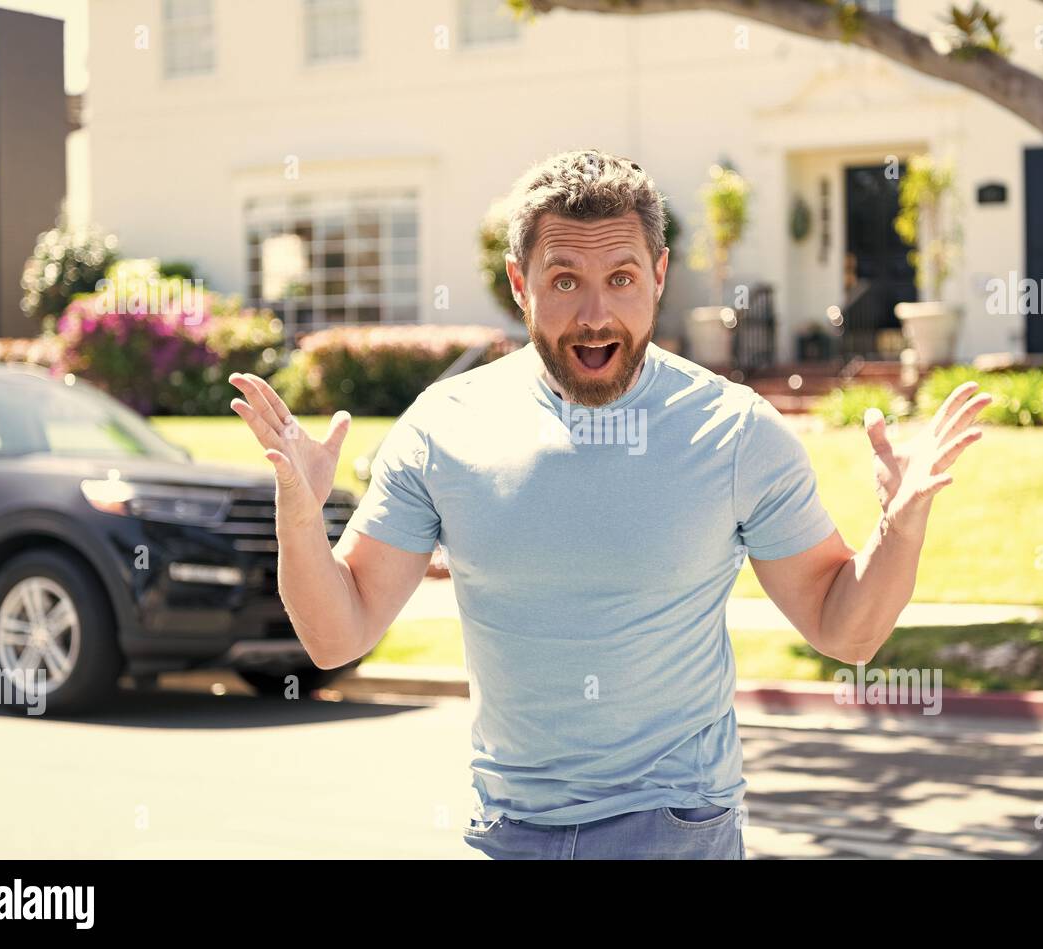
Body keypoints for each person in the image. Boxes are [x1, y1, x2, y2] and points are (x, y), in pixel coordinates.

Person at [228, 148, 989, 860]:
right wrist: (299, 513)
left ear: (659, 275)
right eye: (564, 280)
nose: (595, 314)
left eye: (621, 277)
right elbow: (336, 638)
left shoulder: (733, 430)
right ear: (519, 284)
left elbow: (844, 629)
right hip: (507, 830)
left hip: (675, 828)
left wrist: (900, 526)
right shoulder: (444, 426)